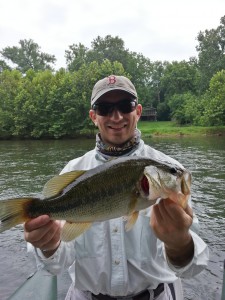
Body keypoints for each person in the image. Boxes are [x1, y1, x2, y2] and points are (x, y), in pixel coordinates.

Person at [25, 75, 209, 300]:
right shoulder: (73, 170)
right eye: (104, 108)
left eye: (125, 106)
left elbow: (192, 269)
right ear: (93, 116)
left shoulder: (170, 171)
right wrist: (49, 245)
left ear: (138, 111)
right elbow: (55, 264)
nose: (117, 116)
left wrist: (179, 244)